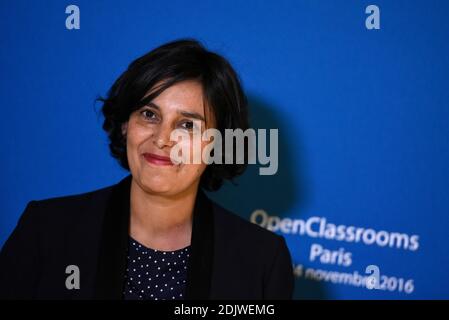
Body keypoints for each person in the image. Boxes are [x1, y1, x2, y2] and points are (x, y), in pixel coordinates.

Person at [0, 39, 294, 300]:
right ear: (126, 123)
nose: (162, 139)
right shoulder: (48, 230)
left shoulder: (261, 261)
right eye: (149, 115)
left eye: (187, 125)